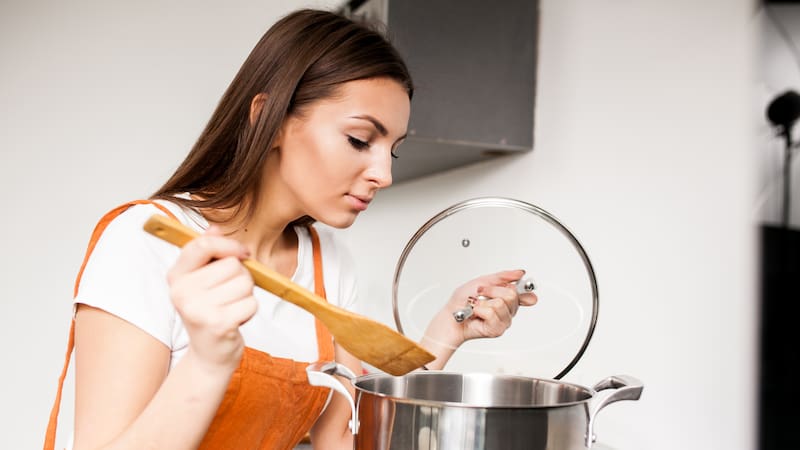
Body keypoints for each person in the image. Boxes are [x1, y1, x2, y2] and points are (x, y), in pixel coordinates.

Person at [44, 8, 537, 450]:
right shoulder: (144, 242)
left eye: (393, 150)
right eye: (359, 139)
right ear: (269, 119)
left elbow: (343, 438)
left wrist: (449, 326)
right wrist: (209, 361)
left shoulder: (327, 262)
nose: (384, 174)